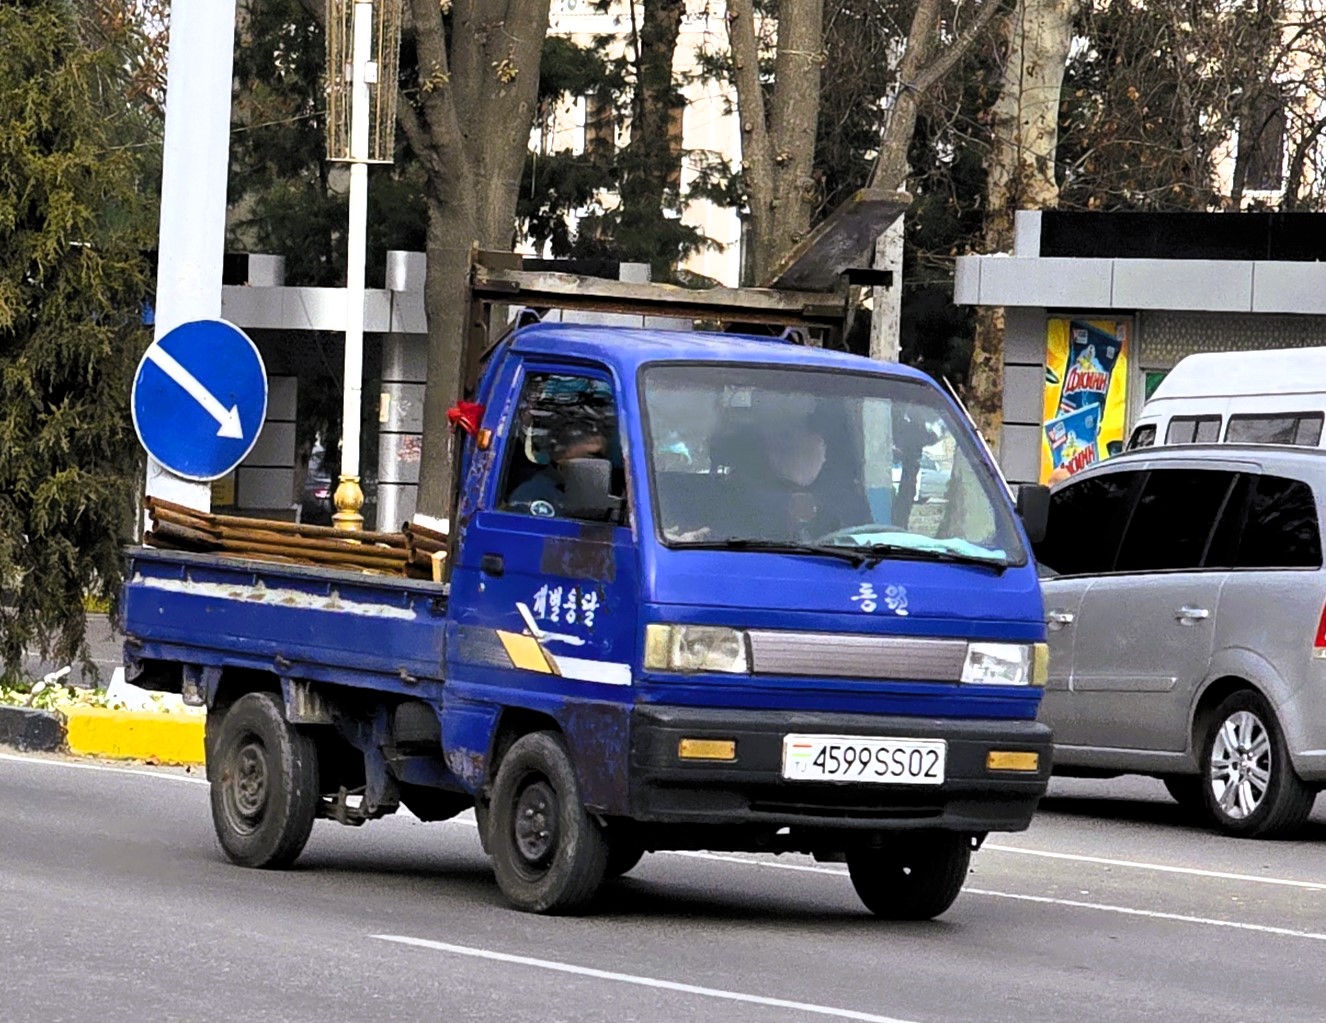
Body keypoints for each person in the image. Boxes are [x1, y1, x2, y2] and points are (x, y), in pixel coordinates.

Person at [508, 420, 610, 517]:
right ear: (560, 456)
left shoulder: (593, 493)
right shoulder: (534, 494)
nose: (600, 465)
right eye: (591, 457)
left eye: (602, 459)